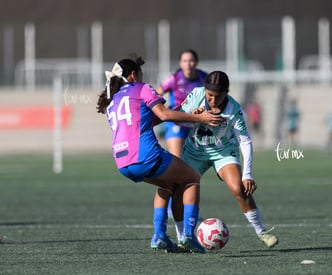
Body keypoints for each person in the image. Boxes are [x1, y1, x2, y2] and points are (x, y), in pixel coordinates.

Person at [96, 56, 223, 253]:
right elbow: (164, 115)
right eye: (140, 74)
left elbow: (151, 119)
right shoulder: (141, 88)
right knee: (191, 179)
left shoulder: (114, 99)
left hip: (122, 162)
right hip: (146, 155)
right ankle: (188, 235)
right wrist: (200, 118)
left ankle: (160, 236)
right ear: (133, 75)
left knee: (168, 184)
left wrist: (183, 111)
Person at [171, 71, 278, 248]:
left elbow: (245, 141)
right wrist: (194, 117)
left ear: (227, 92)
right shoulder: (196, 95)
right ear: (204, 90)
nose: (213, 101)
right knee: (178, 191)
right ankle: (183, 238)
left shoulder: (234, 110)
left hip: (223, 152)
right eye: (210, 95)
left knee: (239, 189)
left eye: (218, 96)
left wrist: (247, 174)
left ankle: (262, 232)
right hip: (194, 151)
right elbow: (177, 120)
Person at [157, 49, 208, 157]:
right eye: (184, 61)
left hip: (196, 123)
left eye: (191, 60)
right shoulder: (174, 79)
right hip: (176, 122)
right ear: (180, 63)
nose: (188, 64)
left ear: (196, 62)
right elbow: (156, 95)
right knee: (177, 158)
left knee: (192, 163)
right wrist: (162, 110)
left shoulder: (204, 78)